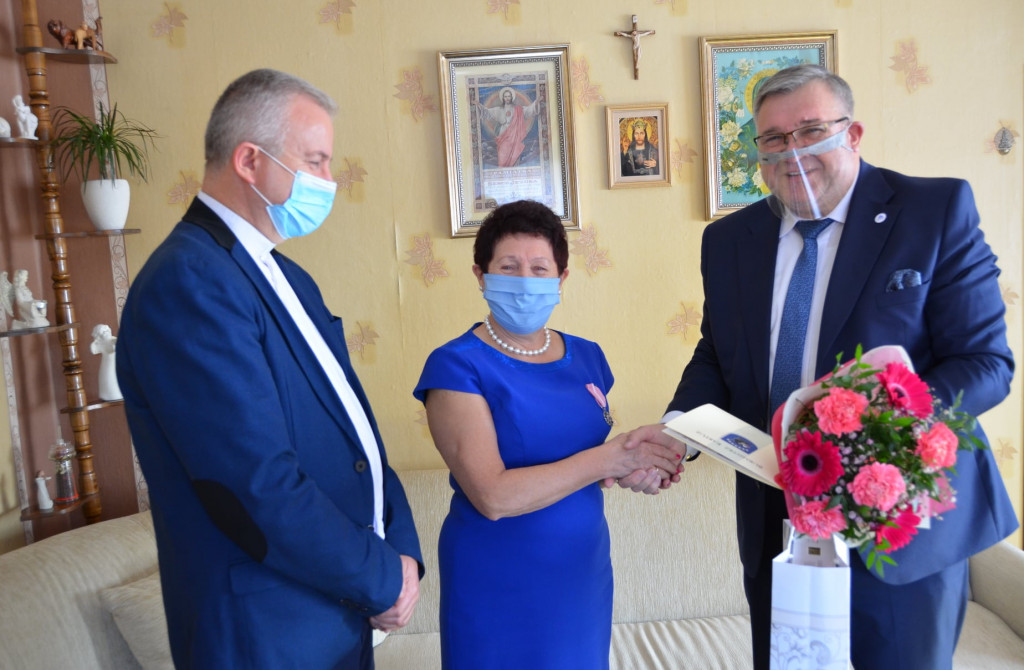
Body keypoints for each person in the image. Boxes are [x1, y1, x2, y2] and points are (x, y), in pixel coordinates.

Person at [628, 64, 1018, 670]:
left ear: (852, 134)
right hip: (779, 523)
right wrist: (677, 430)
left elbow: (986, 364)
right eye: (774, 138)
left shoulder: (933, 209)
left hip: (901, 520)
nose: (793, 152)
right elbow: (717, 353)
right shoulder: (729, 241)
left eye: (811, 131)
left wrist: (874, 427)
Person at [116, 69, 423, 669]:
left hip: (333, 616)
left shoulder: (285, 276)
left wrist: (402, 551)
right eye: (315, 161)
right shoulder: (188, 283)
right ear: (250, 161)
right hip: (265, 634)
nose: (329, 181)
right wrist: (383, 578)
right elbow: (254, 484)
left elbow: (354, 436)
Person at [413, 199, 680, 670]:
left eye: (540, 268)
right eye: (508, 267)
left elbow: (584, 460)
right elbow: (492, 496)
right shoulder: (455, 365)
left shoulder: (588, 356)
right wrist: (610, 459)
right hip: (496, 577)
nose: (525, 280)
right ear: (480, 275)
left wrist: (636, 468)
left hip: (582, 570)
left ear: (561, 278)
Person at [476, 87, 541, 167]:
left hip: (515, 137)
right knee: (503, 157)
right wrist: (479, 106)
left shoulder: (518, 109)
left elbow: (528, 110)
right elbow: (487, 112)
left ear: (512, 97)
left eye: (509, 96)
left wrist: (536, 103)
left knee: (515, 156)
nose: (507, 98)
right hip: (503, 137)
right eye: (505, 96)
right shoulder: (499, 110)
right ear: (503, 98)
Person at [89, 323, 121, 401]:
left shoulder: (114, 340)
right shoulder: (99, 343)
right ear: (99, 336)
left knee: (117, 380)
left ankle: (116, 393)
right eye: (103, 332)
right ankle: (108, 394)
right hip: (107, 365)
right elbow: (93, 349)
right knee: (108, 379)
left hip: (116, 365)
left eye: (107, 330)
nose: (106, 333)